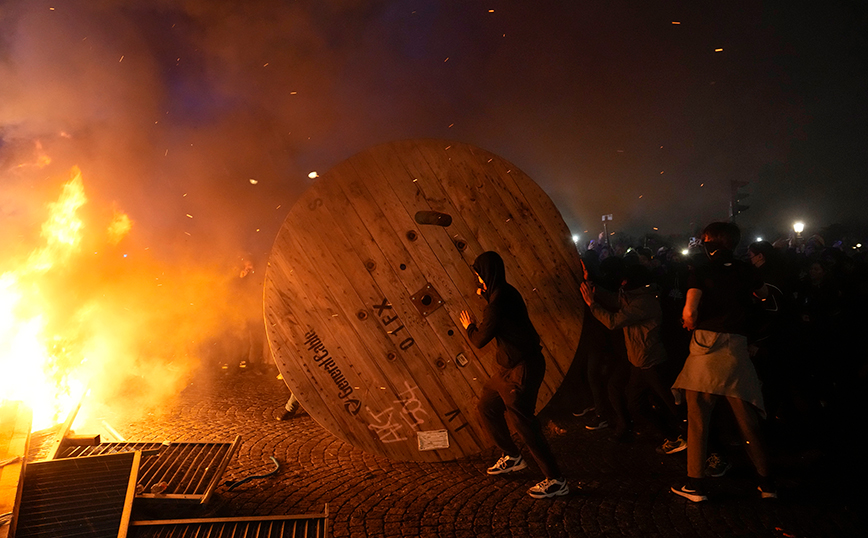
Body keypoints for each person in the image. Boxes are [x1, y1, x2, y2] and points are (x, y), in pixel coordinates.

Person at [671, 222, 776, 502]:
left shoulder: (701, 271)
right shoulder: (747, 270)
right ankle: (767, 483)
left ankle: (695, 484)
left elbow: (691, 311)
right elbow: (764, 295)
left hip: (706, 347)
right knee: (747, 421)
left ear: (710, 242)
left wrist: (687, 322)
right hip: (736, 348)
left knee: (698, 420)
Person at [459, 251, 568, 499]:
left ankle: (556, 479)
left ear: (486, 275)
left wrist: (469, 327)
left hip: (523, 369)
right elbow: (498, 306)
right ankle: (512, 455)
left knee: (523, 423)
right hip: (509, 369)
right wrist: (485, 293)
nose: (477, 279)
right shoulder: (507, 292)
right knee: (486, 406)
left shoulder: (496, 305)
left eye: (478, 275)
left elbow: (479, 340)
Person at [580, 264, 684, 448]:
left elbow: (613, 322)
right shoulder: (633, 296)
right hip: (639, 363)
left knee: (672, 404)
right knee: (636, 404)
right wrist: (590, 283)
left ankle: (694, 438)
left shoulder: (644, 301)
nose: (621, 284)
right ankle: (674, 435)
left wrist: (592, 304)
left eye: (624, 281)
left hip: (652, 363)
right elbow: (613, 299)